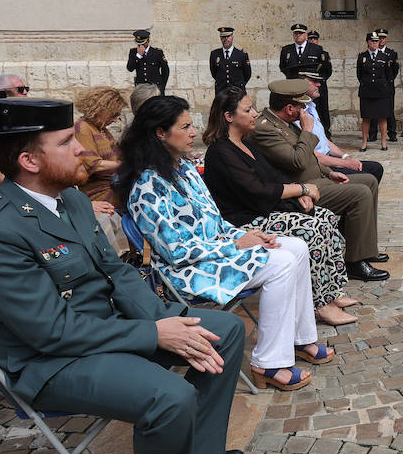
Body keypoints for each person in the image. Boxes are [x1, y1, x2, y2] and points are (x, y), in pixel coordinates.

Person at [0, 96, 246, 454]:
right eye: (67, 141)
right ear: (29, 160)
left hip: (103, 332)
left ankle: (198, 452)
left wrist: (167, 323)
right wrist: (154, 335)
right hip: (50, 362)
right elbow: (50, 332)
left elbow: (116, 271)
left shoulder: (70, 199)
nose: (81, 150)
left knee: (224, 329)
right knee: (169, 395)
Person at [119, 95, 333, 390]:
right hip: (187, 272)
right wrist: (236, 245)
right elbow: (177, 252)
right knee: (281, 263)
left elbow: (215, 222)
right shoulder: (147, 187)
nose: (194, 132)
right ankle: (268, 362)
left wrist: (246, 237)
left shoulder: (184, 170)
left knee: (294, 247)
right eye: (185, 126)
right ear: (160, 133)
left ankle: (299, 339)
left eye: (192, 125)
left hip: (215, 253)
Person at [202, 86, 359, 327]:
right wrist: (302, 189)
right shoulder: (221, 152)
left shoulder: (247, 145)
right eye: (248, 109)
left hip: (264, 210)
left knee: (326, 217)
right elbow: (256, 189)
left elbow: (274, 177)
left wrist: (297, 193)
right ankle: (321, 304)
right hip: (245, 222)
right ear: (228, 116)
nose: (254, 113)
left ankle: (332, 290)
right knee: (312, 229)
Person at [248, 79, 388, 281]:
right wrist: (306, 130)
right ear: (289, 108)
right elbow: (297, 161)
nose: (303, 110)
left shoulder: (282, 123)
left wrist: (329, 172)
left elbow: (309, 157)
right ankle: (355, 263)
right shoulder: (265, 129)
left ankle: (365, 247)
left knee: (369, 181)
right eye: (300, 106)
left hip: (316, 178)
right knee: (360, 193)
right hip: (302, 188)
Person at [297, 69, 384, 181]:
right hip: (320, 166)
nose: (319, 84)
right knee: (368, 178)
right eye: (314, 81)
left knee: (375, 168)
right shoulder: (298, 115)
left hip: (329, 158)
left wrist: (345, 157)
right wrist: (345, 163)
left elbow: (324, 140)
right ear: (300, 84)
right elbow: (313, 156)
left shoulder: (311, 107)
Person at [73, 86, 127, 208]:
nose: (115, 120)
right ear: (101, 110)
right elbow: (92, 164)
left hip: (113, 184)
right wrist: (127, 165)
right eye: (114, 115)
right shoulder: (82, 128)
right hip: (98, 193)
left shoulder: (102, 129)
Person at [278, 24, 333, 130]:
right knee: (295, 110)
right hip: (294, 88)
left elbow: (325, 68)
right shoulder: (286, 50)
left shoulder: (316, 49)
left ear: (305, 35)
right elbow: (283, 67)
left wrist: (317, 82)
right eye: (296, 33)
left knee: (319, 110)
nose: (298, 35)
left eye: (301, 33)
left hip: (312, 87)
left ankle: (324, 133)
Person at [355, 31, 397, 151]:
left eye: (377, 41)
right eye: (372, 41)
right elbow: (359, 75)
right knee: (366, 118)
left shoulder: (385, 57)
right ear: (368, 42)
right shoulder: (362, 57)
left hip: (381, 92)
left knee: (382, 117)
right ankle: (364, 142)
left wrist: (385, 88)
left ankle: (383, 142)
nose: (375, 43)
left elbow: (389, 75)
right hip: (367, 92)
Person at [209, 27, 251, 94]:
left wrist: (240, 84)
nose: (226, 39)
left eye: (228, 36)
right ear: (220, 38)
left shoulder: (242, 55)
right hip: (221, 92)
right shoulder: (214, 54)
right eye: (223, 37)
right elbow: (214, 73)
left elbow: (247, 74)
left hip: (238, 92)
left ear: (232, 37)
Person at [127, 29, 169, 95]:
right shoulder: (133, 52)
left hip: (155, 87)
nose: (141, 45)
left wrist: (162, 86)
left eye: (143, 43)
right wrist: (138, 56)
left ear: (148, 41)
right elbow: (130, 68)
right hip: (141, 88)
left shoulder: (157, 52)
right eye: (138, 43)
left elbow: (165, 70)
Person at [376, 28, 398, 142]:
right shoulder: (372, 53)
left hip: (387, 86)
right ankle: (372, 134)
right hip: (375, 86)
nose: (381, 40)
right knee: (373, 110)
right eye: (379, 38)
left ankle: (392, 133)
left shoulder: (392, 53)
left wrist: (387, 82)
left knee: (389, 110)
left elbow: (395, 70)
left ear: (386, 39)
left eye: (383, 38)